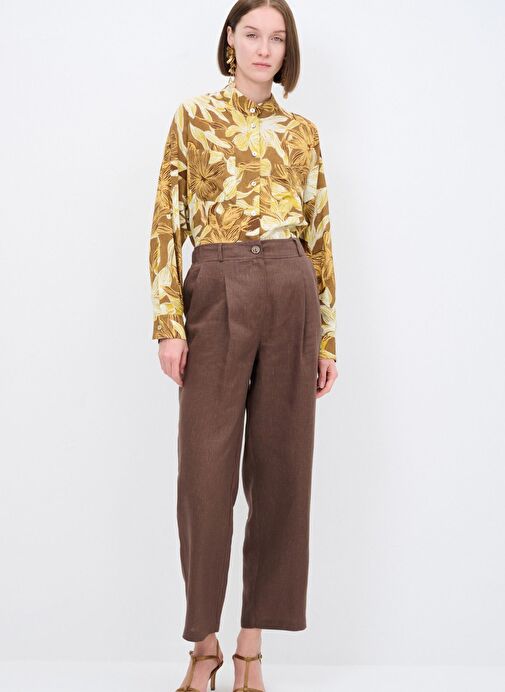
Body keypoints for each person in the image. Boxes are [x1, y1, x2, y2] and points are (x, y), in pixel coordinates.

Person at [148, 1, 338, 690]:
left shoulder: (302, 132)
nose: (264, 48)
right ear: (230, 39)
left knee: (282, 471)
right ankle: (204, 643)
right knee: (204, 474)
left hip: (290, 287)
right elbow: (166, 222)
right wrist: (169, 321)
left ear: (287, 51)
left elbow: (319, 234)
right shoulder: (194, 117)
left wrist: (327, 337)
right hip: (216, 284)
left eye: (276, 38)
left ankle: (251, 648)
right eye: (252, 34)